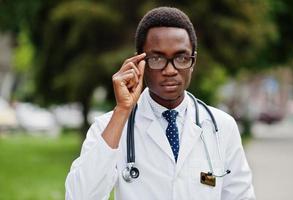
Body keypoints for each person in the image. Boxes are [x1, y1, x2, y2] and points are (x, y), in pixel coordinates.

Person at [65, 7, 255, 200]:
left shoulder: (222, 126)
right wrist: (122, 110)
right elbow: (80, 196)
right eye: (157, 58)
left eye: (181, 58)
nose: (170, 70)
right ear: (139, 61)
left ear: (193, 61)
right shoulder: (110, 127)